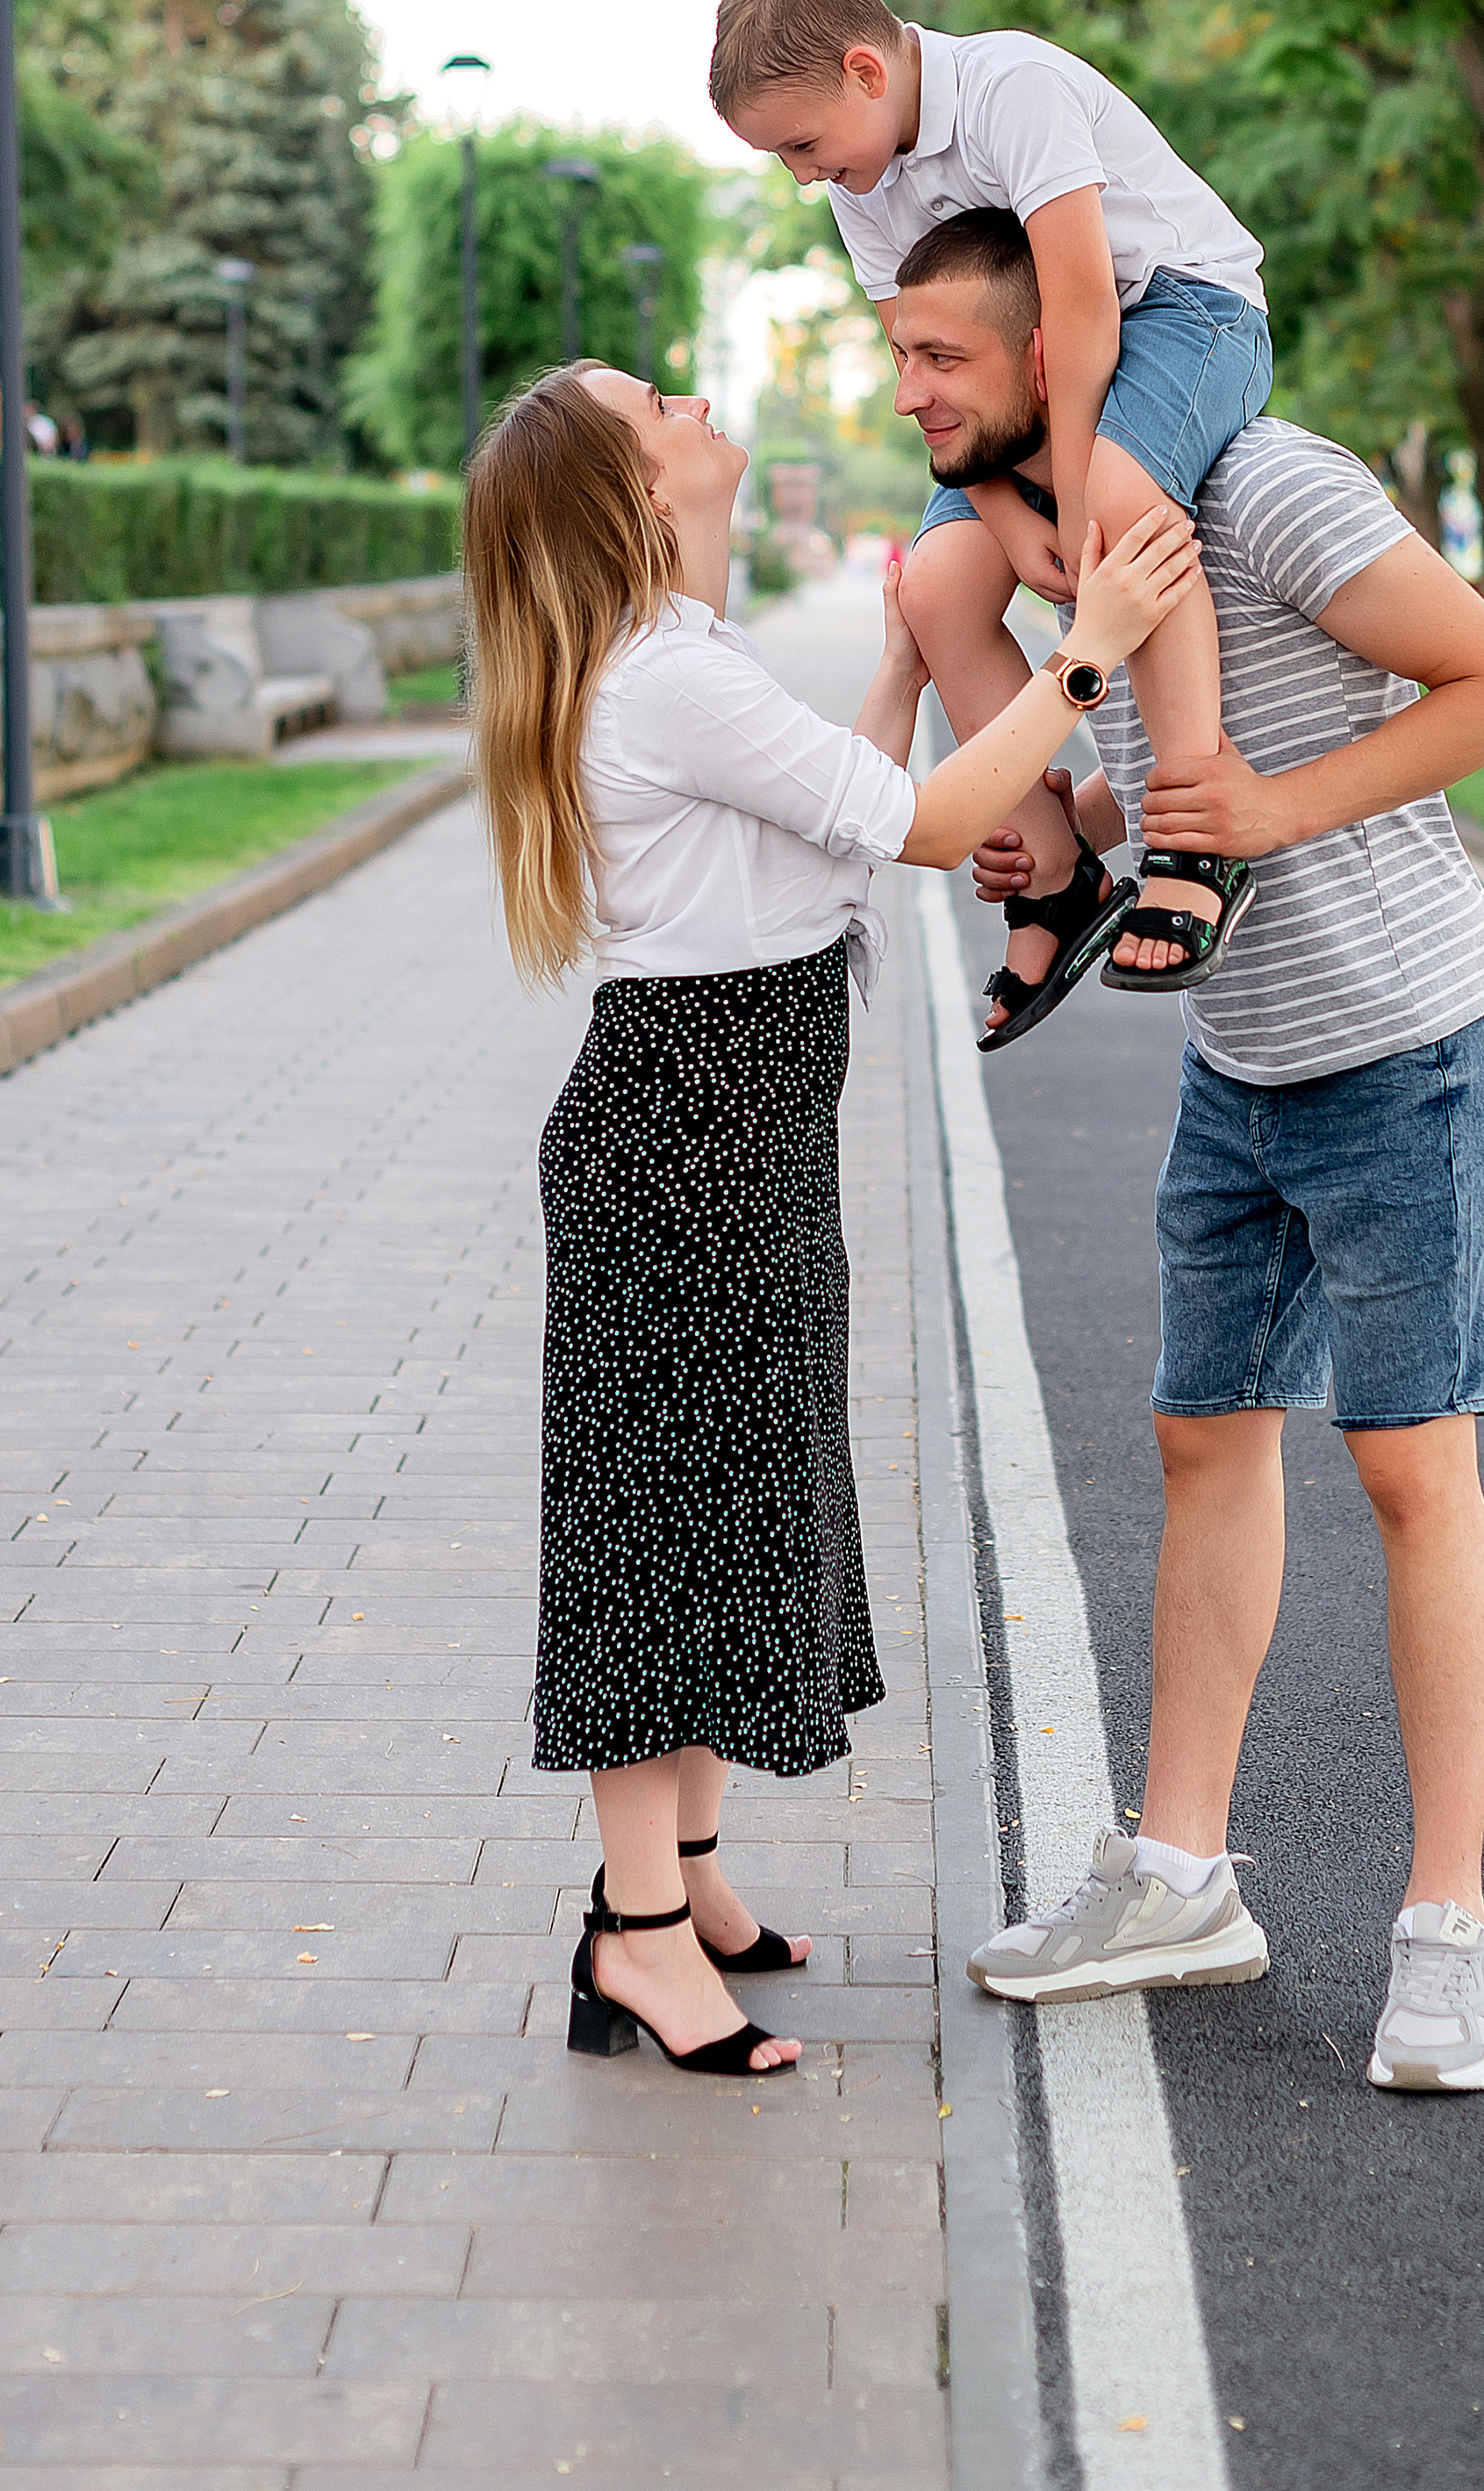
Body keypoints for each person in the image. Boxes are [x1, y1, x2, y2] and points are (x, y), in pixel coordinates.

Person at [876, 221, 1484, 2091]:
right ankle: (1179, 1875)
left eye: (941, 357)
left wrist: (1259, 809)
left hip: (1402, 1042)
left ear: (1052, 356)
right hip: (1239, 1057)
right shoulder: (1032, 538)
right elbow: (1157, 761)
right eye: (899, 355)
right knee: (1203, 1438)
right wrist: (1073, 825)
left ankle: (1445, 1931)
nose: (910, 391)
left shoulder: (1265, 486)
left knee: (1410, 1475)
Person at [461, 362, 1198, 2082]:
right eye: (655, 401)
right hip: (686, 1142)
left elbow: (837, 834)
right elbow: (935, 823)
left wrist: (891, 663)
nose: (694, 395)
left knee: (715, 1514)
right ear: (636, 494)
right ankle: (636, 1940)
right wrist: (1083, 656)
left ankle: (691, 1884)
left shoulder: (686, 668)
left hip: (735, 1132)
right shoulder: (663, 680)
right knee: (650, 1546)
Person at [710, 0, 1275, 1045]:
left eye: (801, 144)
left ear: (868, 73)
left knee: (1116, 509)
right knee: (935, 584)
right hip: (1008, 373)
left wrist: (1069, 505)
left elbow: (1078, 312)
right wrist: (1008, 520)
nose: (800, 175)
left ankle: (1195, 835)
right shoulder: (860, 180)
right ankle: (1054, 876)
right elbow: (929, 371)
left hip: (1168, 312)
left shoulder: (1011, 89)